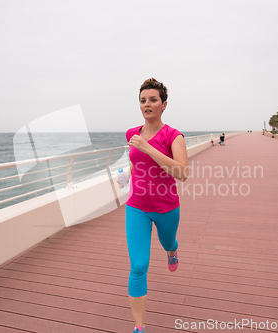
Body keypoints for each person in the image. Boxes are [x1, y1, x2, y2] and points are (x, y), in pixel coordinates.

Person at [125, 78, 188, 333]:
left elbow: (182, 172)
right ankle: (139, 327)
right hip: (136, 206)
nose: (147, 104)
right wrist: (128, 173)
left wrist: (149, 148)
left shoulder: (174, 136)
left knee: (167, 242)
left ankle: (172, 251)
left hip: (166, 207)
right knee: (139, 266)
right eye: (142, 101)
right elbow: (137, 162)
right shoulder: (132, 134)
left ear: (164, 105)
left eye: (152, 100)